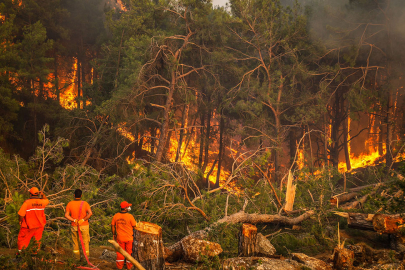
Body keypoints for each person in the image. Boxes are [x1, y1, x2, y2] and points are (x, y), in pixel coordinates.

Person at [17, 187, 49, 254]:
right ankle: (34, 257)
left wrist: (20, 221)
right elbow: (47, 200)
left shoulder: (27, 203)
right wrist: (43, 195)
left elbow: (21, 214)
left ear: (30, 194)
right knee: (37, 242)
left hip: (28, 227)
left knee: (22, 241)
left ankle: (20, 256)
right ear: (38, 194)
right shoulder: (42, 202)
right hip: (39, 226)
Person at [65, 189, 92, 261]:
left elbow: (66, 215)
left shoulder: (70, 204)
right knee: (85, 242)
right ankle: (86, 259)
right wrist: (83, 220)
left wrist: (74, 220)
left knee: (75, 243)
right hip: (84, 225)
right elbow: (90, 213)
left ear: (74, 195)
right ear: (81, 196)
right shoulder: (85, 203)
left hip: (74, 226)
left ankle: (76, 259)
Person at [111, 201, 137, 270]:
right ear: (125, 208)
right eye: (128, 206)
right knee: (129, 253)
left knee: (120, 253)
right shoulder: (130, 216)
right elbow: (135, 226)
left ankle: (119, 267)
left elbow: (112, 225)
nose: (129, 207)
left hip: (120, 238)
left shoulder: (116, 215)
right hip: (129, 238)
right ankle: (129, 267)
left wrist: (114, 234)